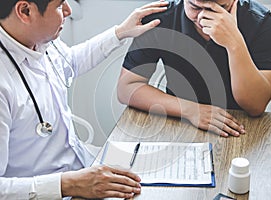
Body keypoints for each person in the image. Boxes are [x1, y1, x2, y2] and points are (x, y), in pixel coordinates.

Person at [0, 0, 169, 199]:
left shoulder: (40, 39)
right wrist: (69, 184)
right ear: (25, 11)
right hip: (54, 190)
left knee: (152, 172)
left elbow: (70, 60)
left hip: (81, 165)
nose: (69, 10)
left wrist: (120, 32)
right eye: (60, 5)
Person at [117, 0, 271, 137]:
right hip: (178, 121)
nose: (203, 18)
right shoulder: (160, 18)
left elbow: (256, 106)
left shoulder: (259, 21)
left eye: (220, 7)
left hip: (239, 126)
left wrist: (234, 43)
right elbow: (126, 88)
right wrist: (190, 110)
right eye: (195, 7)